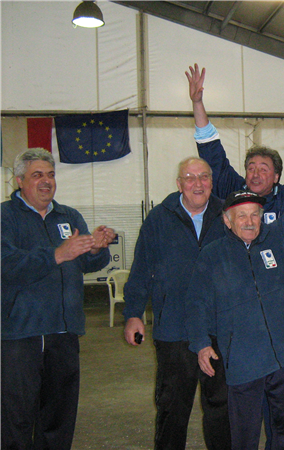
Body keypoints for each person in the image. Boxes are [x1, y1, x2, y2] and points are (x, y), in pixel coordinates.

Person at [185, 153, 284, 450]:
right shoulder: (212, 255)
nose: (249, 222)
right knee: (245, 431)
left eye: (255, 215)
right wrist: (201, 343)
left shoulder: (279, 239)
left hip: (283, 355)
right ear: (227, 221)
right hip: (243, 358)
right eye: (241, 216)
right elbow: (197, 302)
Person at [0, 148, 115, 449]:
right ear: (19, 180)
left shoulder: (68, 216)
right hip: (20, 336)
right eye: (37, 175)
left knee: (59, 419)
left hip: (64, 334)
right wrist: (56, 254)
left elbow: (86, 264)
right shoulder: (5, 217)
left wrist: (96, 248)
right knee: (16, 418)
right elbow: (6, 265)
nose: (46, 181)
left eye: (50, 175)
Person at [123, 157, 231, 450]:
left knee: (221, 406)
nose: (198, 184)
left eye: (204, 177)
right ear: (179, 184)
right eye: (190, 178)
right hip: (174, 329)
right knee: (173, 407)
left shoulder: (227, 215)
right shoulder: (159, 218)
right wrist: (133, 313)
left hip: (218, 328)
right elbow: (141, 269)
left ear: (212, 182)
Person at [186, 63, 284, 223]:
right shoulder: (233, 191)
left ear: (276, 176)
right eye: (251, 168)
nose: (255, 175)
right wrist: (197, 103)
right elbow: (211, 151)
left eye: (263, 169)